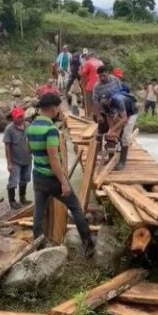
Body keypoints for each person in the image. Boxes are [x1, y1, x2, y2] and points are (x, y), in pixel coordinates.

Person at [28, 93, 95, 256]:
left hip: (38, 175)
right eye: (59, 108)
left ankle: (38, 246)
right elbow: (54, 159)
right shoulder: (51, 130)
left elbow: (29, 150)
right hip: (53, 178)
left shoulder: (31, 127)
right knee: (75, 207)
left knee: (38, 211)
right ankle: (88, 244)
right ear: (52, 109)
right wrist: (63, 182)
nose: (60, 111)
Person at [98, 89, 139, 171]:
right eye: (103, 102)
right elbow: (109, 116)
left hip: (131, 113)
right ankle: (111, 158)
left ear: (110, 99)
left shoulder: (118, 101)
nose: (104, 103)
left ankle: (122, 162)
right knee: (111, 135)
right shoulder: (103, 103)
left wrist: (113, 129)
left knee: (125, 137)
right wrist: (111, 130)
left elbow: (125, 119)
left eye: (106, 101)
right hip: (120, 112)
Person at [4, 106, 32, 209]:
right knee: (13, 181)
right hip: (15, 161)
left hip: (28, 159)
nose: (20, 118)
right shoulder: (9, 129)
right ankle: (12, 201)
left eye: (21, 116)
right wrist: (9, 163)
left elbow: (31, 139)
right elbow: (7, 147)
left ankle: (23, 198)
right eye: (18, 117)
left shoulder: (28, 125)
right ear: (13, 118)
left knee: (25, 179)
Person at [80, 50, 103, 118]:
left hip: (91, 85)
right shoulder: (101, 62)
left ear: (89, 56)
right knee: (98, 101)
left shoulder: (88, 63)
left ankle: (89, 116)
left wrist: (84, 83)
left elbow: (83, 74)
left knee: (89, 101)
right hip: (101, 85)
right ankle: (97, 116)